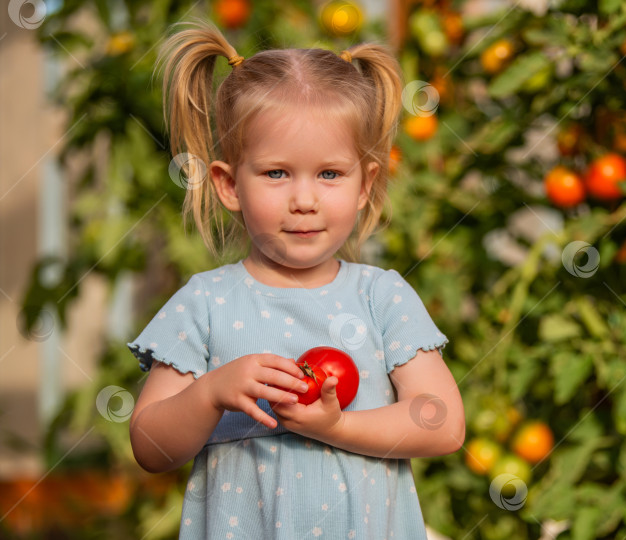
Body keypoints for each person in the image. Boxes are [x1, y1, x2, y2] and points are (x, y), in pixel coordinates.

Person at [127, 17, 465, 540]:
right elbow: (151, 447)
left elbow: (442, 422)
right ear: (228, 184)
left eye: (329, 174)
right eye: (276, 173)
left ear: (364, 184)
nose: (304, 200)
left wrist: (339, 427)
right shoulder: (206, 303)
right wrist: (210, 392)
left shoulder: (382, 296)